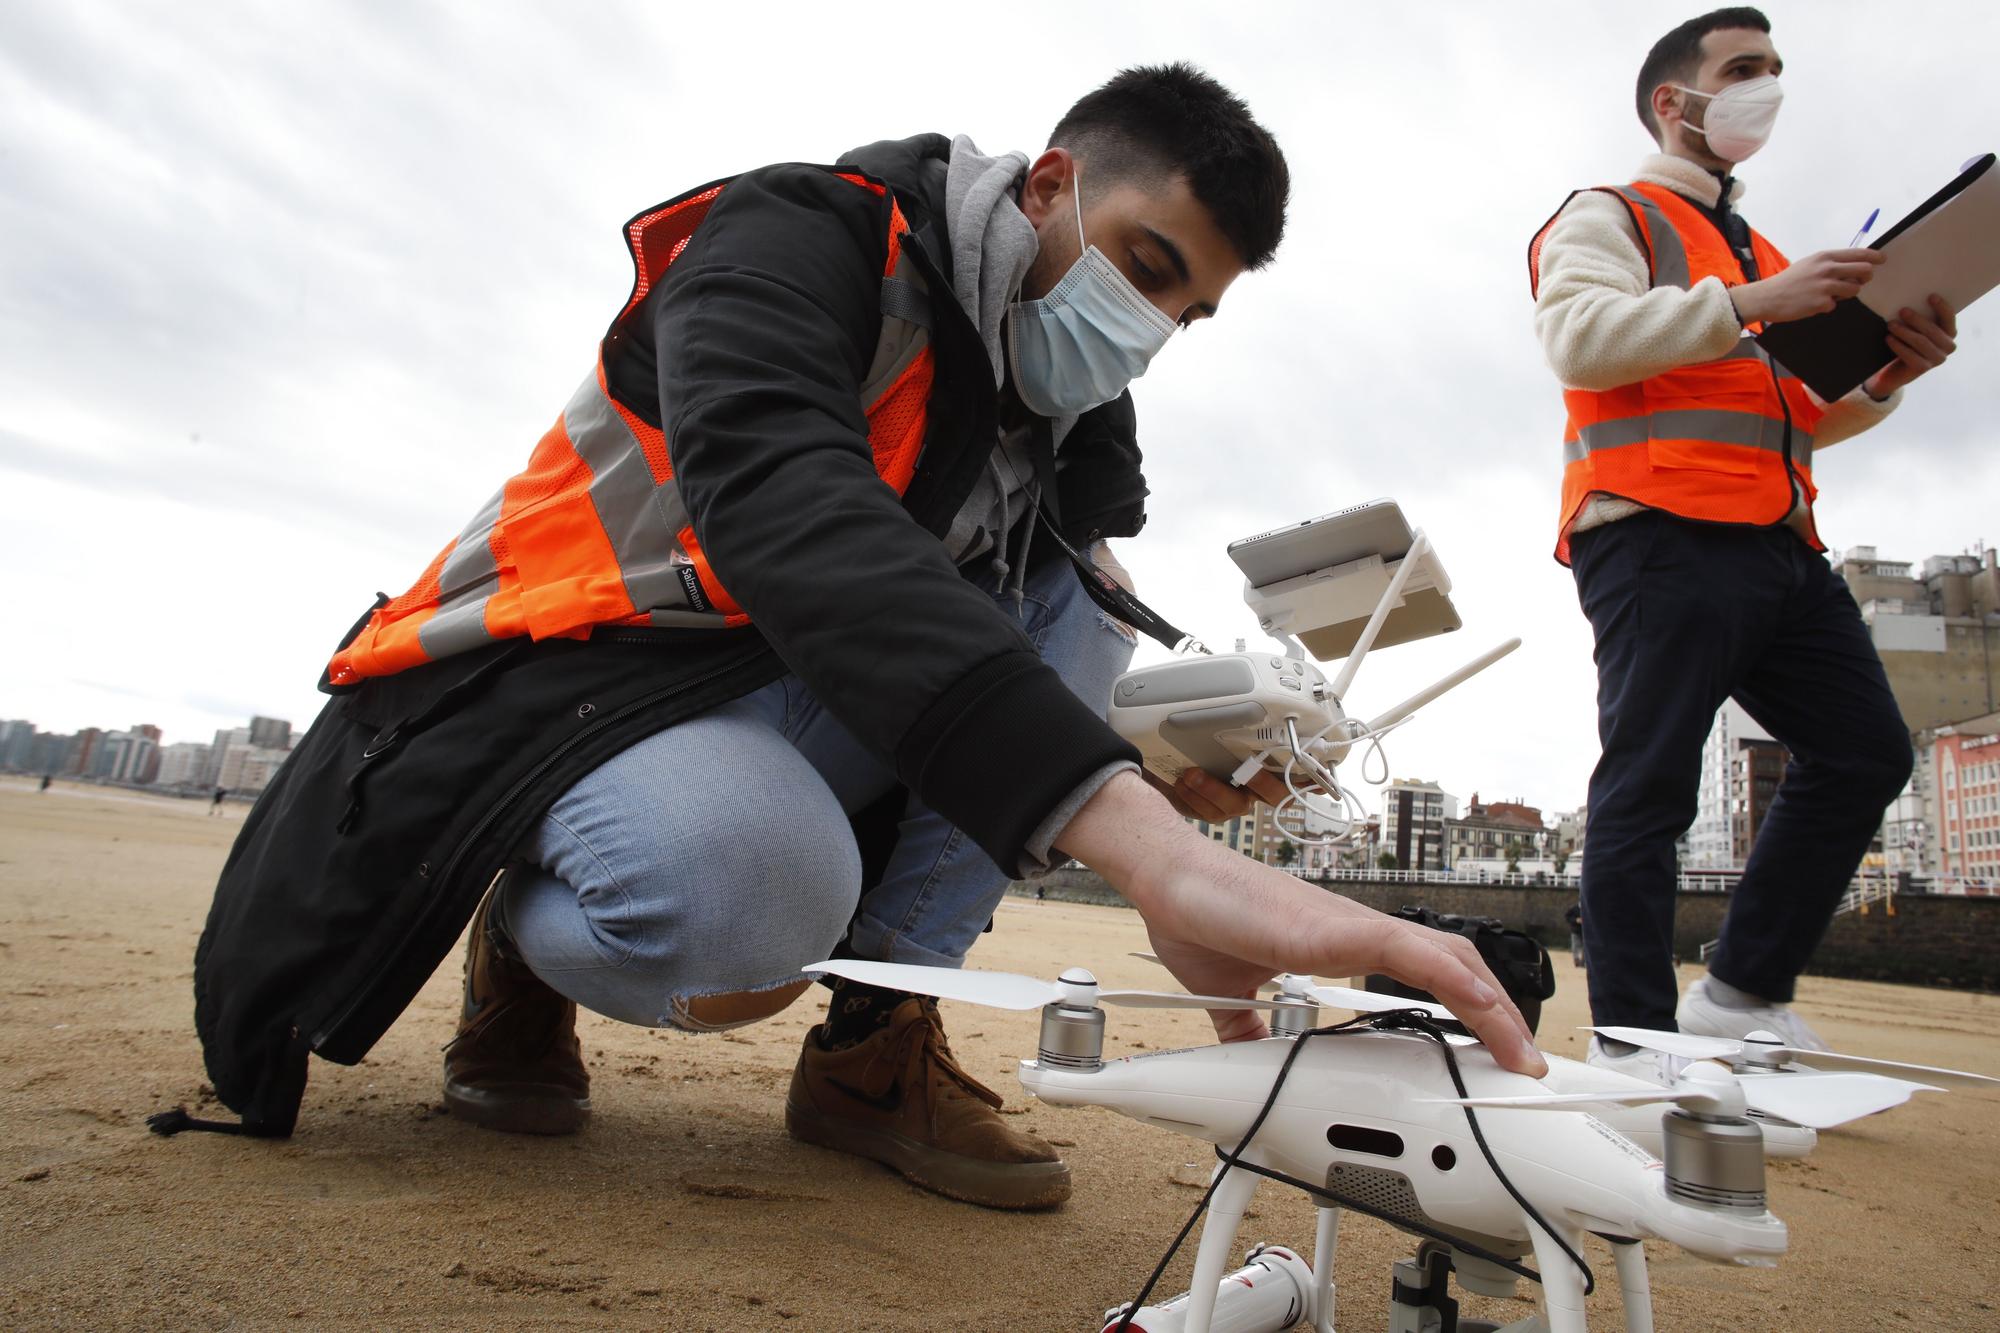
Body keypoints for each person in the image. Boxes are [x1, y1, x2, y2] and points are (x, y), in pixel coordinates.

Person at [190, 64, 1542, 1209]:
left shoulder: (1068, 404)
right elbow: (791, 510)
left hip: (774, 695)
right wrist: (1150, 854)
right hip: (563, 680)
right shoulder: (798, 237)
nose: (1147, 331)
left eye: (1184, 315)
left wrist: (1164, 752)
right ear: (1051, 184)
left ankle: (873, 1039)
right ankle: (525, 932)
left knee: (1081, 604)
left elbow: (1071, 618)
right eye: (1145, 269)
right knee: (743, 905)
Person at [1529, 9, 1958, 1080]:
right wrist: (1753, 300)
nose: (1765, 85)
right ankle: (1634, 1039)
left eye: (1772, 67)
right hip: (1655, 530)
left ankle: (1736, 995)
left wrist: (1883, 377)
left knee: (1865, 751)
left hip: (1777, 544)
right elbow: (1575, 336)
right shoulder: (1606, 212)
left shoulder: (1759, 250)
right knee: (1649, 787)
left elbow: (1794, 409)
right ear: (1674, 103)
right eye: (1741, 69)